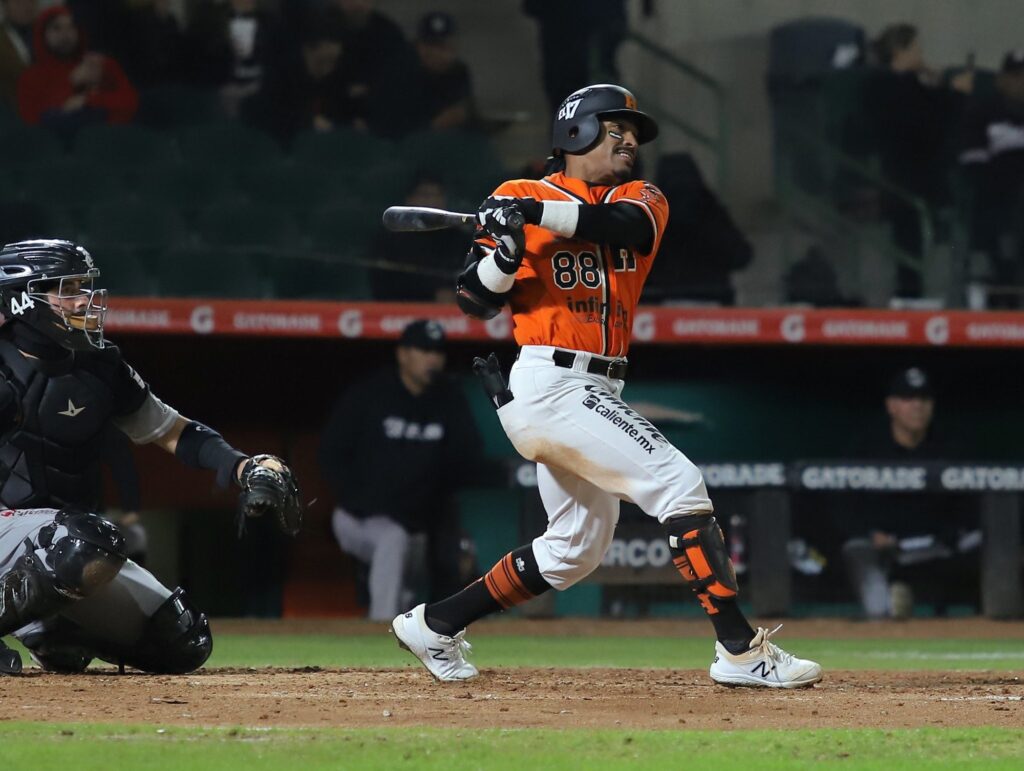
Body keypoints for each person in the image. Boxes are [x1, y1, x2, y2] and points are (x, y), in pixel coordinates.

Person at [391, 84, 823, 688]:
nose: (628, 142)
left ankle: (435, 624)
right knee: (679, 484)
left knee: (575, 548)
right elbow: (474, 299)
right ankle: (740, 652)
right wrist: (506, 253)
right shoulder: (518, 195)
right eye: (614, 130)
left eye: (633, 135)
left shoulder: (640, 197)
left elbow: (623, 228)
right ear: (575, 133)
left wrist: (532, 216)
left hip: (595, 388)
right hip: (550, 382)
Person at [0, 239, 302, 676]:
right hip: (12, 534)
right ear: (23, 298)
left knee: (182, 640)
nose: (84, 300)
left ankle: (51, 629)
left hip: (65, 547)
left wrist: (243, 466)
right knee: (85, 540)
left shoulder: (100, 365)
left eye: (85, 287)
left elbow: (174, 432)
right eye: (68, 289)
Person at [319, 319, 483, 621]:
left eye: (437, 352)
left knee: (416, 573)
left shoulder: (448, 399)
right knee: (391, 538)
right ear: (403, 354)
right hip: (359, 517)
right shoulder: (370, 394)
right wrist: (357, 500)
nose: (432, 359)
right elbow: (331, 452)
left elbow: (468, 456)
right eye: (424, 351)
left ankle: (408, 617)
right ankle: (381, 626)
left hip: (417, 526)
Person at [841, 367, 980, 620]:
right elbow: (846, 507)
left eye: (924, 399)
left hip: (934, 549)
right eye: (908, 398)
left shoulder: (950, 448)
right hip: (883, 549)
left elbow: (967, 510)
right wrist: (871, 533)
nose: (918, 406)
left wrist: (946, 534)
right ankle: (887, 608)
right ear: (891, 406)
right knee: (857, 552)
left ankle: (991, 618)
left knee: (982, 540)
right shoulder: (868, 448)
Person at [865, 23, 973, 298]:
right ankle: (911, 296)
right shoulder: (890, 88)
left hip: (920, 178)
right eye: (915, 48)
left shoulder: (908, 86)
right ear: (899, 51)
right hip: (908, 179)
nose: (920, 54)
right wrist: (956, 96)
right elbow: (927, 126)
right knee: (910, 245)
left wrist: (940, 87)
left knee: (929, 243)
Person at [958, 50, 1024, 300]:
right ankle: (1003, 283)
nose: (1022, 83)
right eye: (1017, 76)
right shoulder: (982, 111)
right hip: (996, 194)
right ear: (1002, 79)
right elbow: (973, 163)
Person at [16, 5, 138, 135]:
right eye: (56, 28)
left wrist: (88, 100)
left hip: (110, 138)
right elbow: (34, 124)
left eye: (72, 27)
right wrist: (71, 82)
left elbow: (131, 102)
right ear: (42, 34)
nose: (66, 34)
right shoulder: (30, 78)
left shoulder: (97, 64)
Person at [368, 173, 465, 302]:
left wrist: (452, 292)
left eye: (437, 195)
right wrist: (433, 293)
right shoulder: (390, 238)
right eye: (425, 195)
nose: (432, 201)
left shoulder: (457, 239)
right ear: (410, 199)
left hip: (452, 311)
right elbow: (383, 281)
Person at [411, 11, 475, 132]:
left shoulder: (458, 72)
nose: (436, 53)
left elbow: (461, 113)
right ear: (417, 46)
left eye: (442, 47)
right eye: (430, 46)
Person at [0, 0, 37, 107]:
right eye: (18, 2)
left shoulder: (49, 31)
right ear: (5, 6)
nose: (26, 6)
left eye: (30, 1)